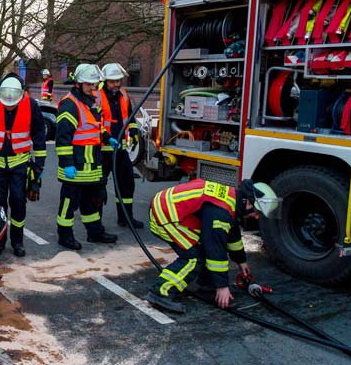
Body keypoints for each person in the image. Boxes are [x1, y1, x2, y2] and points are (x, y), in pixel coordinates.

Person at [145, 179, 280, 313]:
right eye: (258, 212)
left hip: (173, 210)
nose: (257, 217)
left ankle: (208, 286)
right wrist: (222, 286)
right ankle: (160, 292)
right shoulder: (220, 213)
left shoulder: (232, 201)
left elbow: (232, 234)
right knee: (194, 258)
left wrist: (241, 260)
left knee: (203, 249)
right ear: (249, 203)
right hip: (165, 215)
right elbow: (214, 249)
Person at [0, 73, 47, 257]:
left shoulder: (31, 105)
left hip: (19, 163)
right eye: (6, 104)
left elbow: (39, 136)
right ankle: (0, 241)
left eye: (13, 104)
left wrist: (39, 166)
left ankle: (17, 242)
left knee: (19, 201)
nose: (9, 106)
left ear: (20, 96)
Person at [55, 64, 118, 250]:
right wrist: (67, 164)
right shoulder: (70, 104)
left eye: (95, 84)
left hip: (91, 166)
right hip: (75, 167)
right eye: (90, 85)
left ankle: (95, 232)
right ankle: (64, 236)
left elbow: (95, 127)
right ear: (78, 84)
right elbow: (63, 138)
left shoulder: (90, 102)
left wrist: (107, 138)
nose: (94, 88)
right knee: (69, 204)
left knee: (91, 203)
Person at [98, 63, 143, 228]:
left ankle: (125, 218)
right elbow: (94, 122)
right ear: (105, 81)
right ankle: (96, 225)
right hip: (102, 150)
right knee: (98, 187)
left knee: (126, 183)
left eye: (118, 81)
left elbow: (129, 117)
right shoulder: (97, 96)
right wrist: (105, 135)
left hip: (121, 149)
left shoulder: (123, 95)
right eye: (112, 82)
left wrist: (134, 132)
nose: (116, 85)